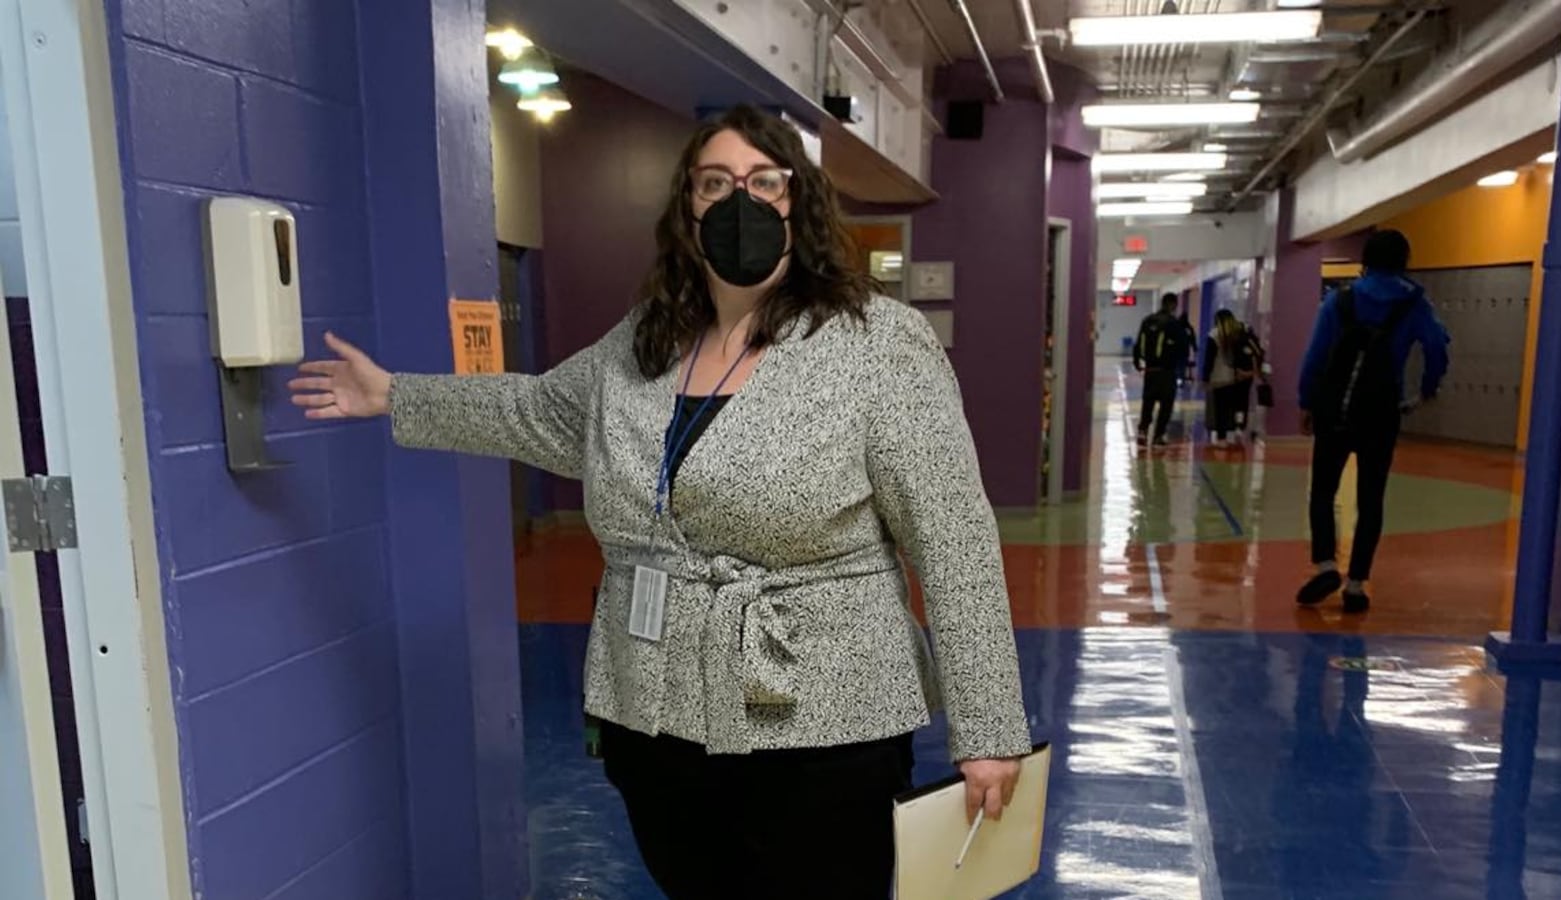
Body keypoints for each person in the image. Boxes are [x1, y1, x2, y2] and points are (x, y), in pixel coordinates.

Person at [289, 105, 1031, 900]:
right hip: (658, 713)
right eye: (716, 183)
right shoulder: (644, 341)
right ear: (688, 210)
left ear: (800, 203)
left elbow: (953, 538)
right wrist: (394, 396)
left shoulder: (875, 343)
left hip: (822, 720)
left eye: (764, 182)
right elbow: (537, 412)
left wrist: (986, 728)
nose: (739, 201)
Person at [1296, 229, 1450, 613]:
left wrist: (1307, 403)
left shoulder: (1340, 301)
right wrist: (1429, 387)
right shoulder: (1414, 303)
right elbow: (1437, 345)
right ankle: (1356, 584)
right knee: (1371, 499)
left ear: (1365, 260)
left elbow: (1316, 355)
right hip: (1381, 411)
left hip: (1336, 409)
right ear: (1404, 260)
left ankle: (1326, 563)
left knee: (1323, 491)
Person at [1133, 292, 1190, 446]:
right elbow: (1184, 346)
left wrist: (1137, 362)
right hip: (1167, 371)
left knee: (1148, 402)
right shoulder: (1173, 323)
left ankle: (1143, 432)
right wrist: (1182, 366)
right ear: (1173, 305)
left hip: (1150, 370)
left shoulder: (1147, 320)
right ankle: (1158, 436)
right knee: (1166, 405)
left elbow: (1138, 343)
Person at [1202, 309, 1257, 446]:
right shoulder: (1244, 329)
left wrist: (1205, 378)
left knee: (1221, 407)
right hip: (1243, 376)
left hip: (1221, 378)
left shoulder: (1215, 335)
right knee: (1240, 404)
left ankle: (1222, 438)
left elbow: (1209, 360)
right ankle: (1239, 428)